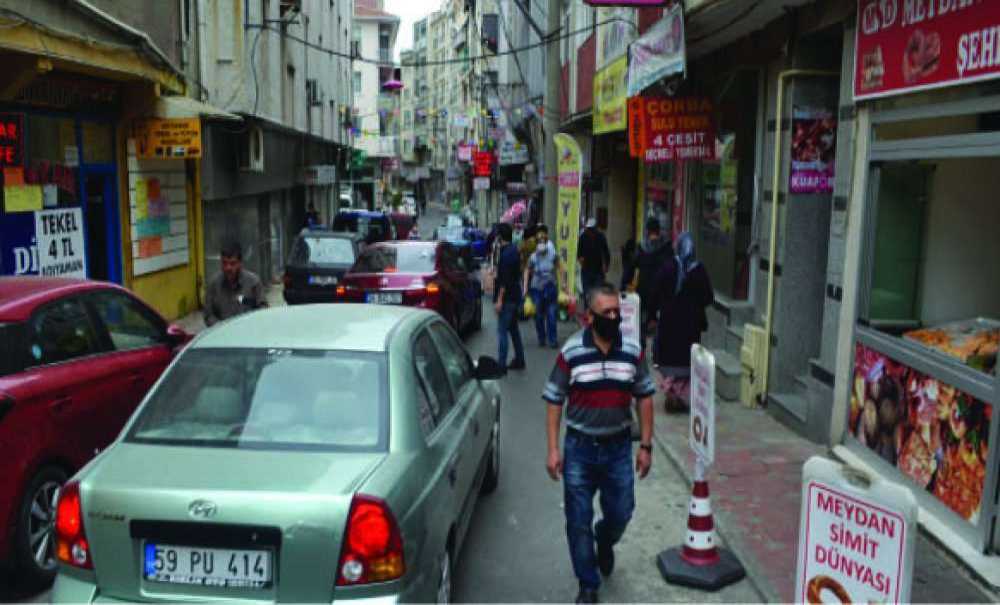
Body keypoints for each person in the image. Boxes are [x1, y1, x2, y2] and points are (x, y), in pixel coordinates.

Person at [542, 283, 656, 604]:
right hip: (579, 448)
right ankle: (588, 583)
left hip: (618, 448)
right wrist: (553, 449)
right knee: (578, 521)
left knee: (621, 512)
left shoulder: (632, 350)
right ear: (588, 317)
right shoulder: (571, 352)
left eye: (616, 311)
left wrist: (645, 446)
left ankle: (604, 541)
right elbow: (554, 398)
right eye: (606, 312)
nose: (613, 317)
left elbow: (644, 397)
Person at [652, 232, 714, 412]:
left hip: (669, 324)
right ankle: (681, 397)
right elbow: (708, 297)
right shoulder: (698, 270)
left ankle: (672, 395)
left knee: (670, 361)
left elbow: (655, 292)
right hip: (690, 325)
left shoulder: (668, 267)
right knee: (686, 362)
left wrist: (655, 312)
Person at [204, 242, 266, 327]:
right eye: (224, 263)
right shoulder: (213, 285)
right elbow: (208, 315)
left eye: (232, 263)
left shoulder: (253, 283)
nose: (228, 268)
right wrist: (221, 327)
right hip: (222, 333)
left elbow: (263, 311)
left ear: (240, 263)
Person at [635, 218, 674, 340]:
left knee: (643, 319)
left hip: (644, 288)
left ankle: (643, 341)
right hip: (661, 290)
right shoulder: (667, 248)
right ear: (658, 230)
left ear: (647, 231)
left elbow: (633, 265)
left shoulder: (642, 247)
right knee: (659, 322)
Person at [494, 223, 526, 372]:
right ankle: (520, 359)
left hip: (507, 299)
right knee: (514, 330)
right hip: (515, 296)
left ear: (500, 237)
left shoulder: (506, 255)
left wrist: (500, 300)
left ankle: (501, 365)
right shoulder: (514, 250)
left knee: (502, 332)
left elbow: (504, 281)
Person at [523, 225, 560, 348]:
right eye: (539, 242)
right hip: (537, 289)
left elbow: (560, 267)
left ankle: (552, 339)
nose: (541, 244)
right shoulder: (533, 256)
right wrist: (525, 288)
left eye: (543, 241)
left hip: (551, 287)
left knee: (551, 314)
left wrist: (564, 284)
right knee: (538, 315)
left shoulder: (552, 253)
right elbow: (527, 270)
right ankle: (541, 338)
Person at [577, 218, 610, 296]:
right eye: (588, 229)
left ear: (595, 228)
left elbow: (606, 252)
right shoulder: (583, 237)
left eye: (592, 229)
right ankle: (587, 307)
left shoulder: (601, 237)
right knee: (587, 293)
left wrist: (606, 266)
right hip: (586, 270)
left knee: (598, 293)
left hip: (598, 271)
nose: (590, 231)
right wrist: (580, 259)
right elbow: (579, 253)